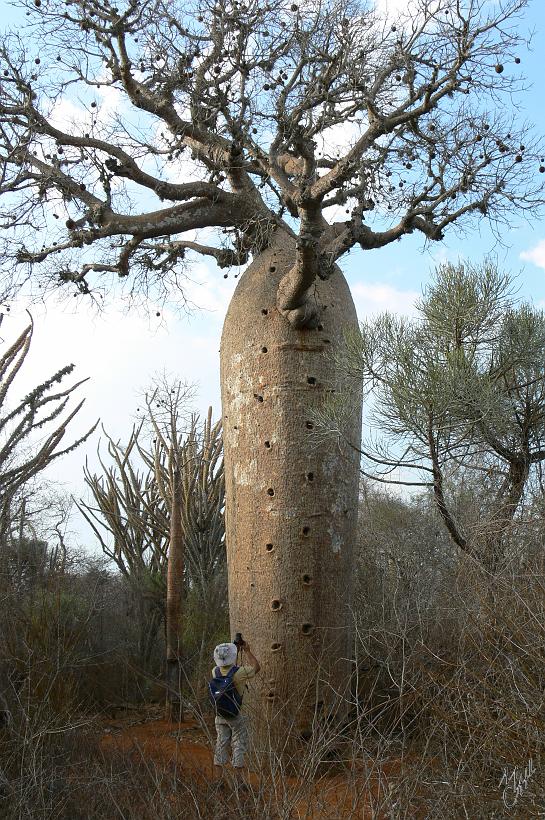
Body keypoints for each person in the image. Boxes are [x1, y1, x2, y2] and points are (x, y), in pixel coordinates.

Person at [211, 638, 260, 783]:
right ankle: (239, 782)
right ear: (233, 656)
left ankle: (218, 781)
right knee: (239, 745)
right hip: (237, 715)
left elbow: (225, 666)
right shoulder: (240, 673)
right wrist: (247, 651)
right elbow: (256, 667)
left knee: (221, 744)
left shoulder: (215, 671)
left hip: (220, 715)